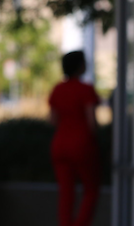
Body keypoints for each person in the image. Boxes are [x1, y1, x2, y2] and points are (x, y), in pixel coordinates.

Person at [49, 50, 100, 226]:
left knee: (66, 192)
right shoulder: (86, 89)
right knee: (91, 190)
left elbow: (53, 120)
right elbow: (92, 121)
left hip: (60, 144)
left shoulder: (58, 89)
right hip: (81, 144)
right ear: (79, 66)